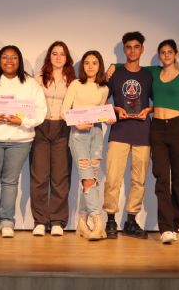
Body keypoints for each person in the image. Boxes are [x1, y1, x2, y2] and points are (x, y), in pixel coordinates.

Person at [0, 45, 47, 238]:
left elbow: (41, 112)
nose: (9, 61)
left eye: (14, 58)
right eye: (5, 57)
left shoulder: (31, 84)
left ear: (20, 61)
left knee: (10, 182)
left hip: (20, 139)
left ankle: (7, 220)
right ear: (0, 61)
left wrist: (22, 121)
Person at [144, 40, 179, 244]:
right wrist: (115, 66)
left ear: (176, 54)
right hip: (157, 128)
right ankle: (165, 228)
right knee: (162, 178)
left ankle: (174, 224)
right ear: (159, 55)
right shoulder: (154, 73)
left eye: (169, 52)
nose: (166, 55)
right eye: (162, 52)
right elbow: (131, 68)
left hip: (178, 128)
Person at [103, 32, 153, 239]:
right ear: (124, 49)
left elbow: (157, 102)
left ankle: (131, 221)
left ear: (142, 49)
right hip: (120, 132)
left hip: (143, 132)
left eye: (136, 47)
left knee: (139, 180)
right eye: (128, 47)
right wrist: (115, 110)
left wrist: (148, 111)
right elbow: (102, 101)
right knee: (113, 178)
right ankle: (111, 221)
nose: (132, 51)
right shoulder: (115, 73)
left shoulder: (149, 75)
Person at [61, 50, 114, 241]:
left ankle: (82, 223)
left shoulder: (104, 88)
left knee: (91, 178)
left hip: (96, 135)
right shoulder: (76, 84)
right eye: (86, 63)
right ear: (82, 66)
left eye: (94, 63)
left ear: (99, 65)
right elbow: (64, 111)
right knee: (87, 178)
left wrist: (108, 118)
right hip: (78, 135)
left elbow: (102, 112)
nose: (90, 66)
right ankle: (98, 222)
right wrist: (76, 124)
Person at [30, 41, 75, 237]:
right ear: (49, 56)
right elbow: (30, 102)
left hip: (63, 128)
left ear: (67, 58)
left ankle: (57, 220)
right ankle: (40, 221)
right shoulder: (39, 78)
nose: (58, 57)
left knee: (60, 177)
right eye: (54, 53)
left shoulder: (73, 80)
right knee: (39, 176)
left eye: (62, 54)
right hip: (41, 128)